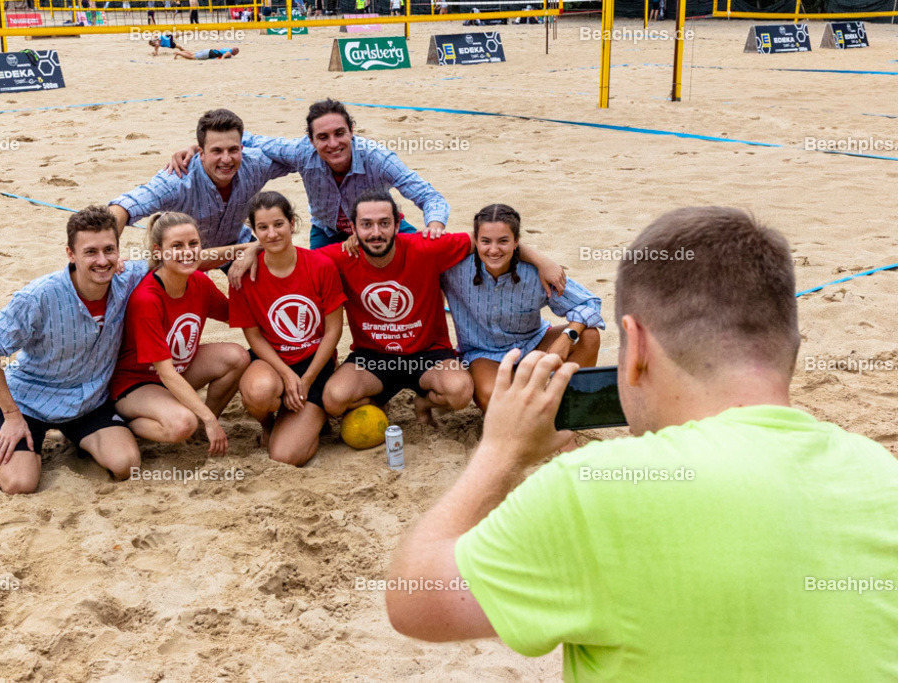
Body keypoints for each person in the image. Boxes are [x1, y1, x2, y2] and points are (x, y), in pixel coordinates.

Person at [384, 207, 898, 680]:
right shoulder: (882, 476)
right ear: (793, 345)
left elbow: (414, 598)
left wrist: (499, 452)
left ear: (637, 351)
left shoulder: (593, 490)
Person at [262, 188, 564, 426]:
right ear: (353, 228)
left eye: (384, 223)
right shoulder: (339, 256)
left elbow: (486, 241)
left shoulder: (425, 247)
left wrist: (540, 259)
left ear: (398, 223)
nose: (376, 232)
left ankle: (423, 402)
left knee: (460, 393)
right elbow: (288, 254)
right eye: (366, 225)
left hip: (428, 353)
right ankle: (379, 398)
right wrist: (253, 250)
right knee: (333, 400)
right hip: (374, 357)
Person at [0, 207, 148, 495]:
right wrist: (12, 414)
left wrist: (248, 248)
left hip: (88, 401)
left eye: (109, 250)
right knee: (20, 484)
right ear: (70, 254)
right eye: (90, 252)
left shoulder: (127, 277)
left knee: (126, 464)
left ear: (119, 250)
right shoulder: (38, 296)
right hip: (29, 403)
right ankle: (18, 437)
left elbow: (183, 258)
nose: (102, 260)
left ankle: (75, 437)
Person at [166, 99, 451, 250]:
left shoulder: (377, 157)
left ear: (352, 132)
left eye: (340, 133)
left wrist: (435, 224)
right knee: (317, 291)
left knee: (432, 262)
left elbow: (427, 195)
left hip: (381, 228)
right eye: (323, 137)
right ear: (312, 140)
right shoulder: (302, 152)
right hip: (327, 233)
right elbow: (251, 140)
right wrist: (199, 147)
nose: (333, 143)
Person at [110, 212, 249, 455]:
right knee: (182, 424)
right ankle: (125, 425)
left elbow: (235, 315)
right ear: (158, 251)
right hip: (137, 383)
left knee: (237, 357)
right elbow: (165, 372)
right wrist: (206, 418)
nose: (187, 252)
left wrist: (251, 269)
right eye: (176, 246)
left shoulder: (199, 282)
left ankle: (205, 426)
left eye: (193, 244)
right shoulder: (147, 299)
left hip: (178, 370)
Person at [442, 203, 604, 411]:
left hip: (533, 343)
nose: (493, 250)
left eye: (503, 241)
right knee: (497, 402)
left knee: (588, 336)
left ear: (516, 241)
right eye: (485, 241)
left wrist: (567, 338)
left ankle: (569, 410)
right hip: (484, 353)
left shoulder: (537, 272)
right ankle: (531, 403)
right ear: (475, 240)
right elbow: (419, 247)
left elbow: (589, 302)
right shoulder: (455, 268)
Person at [230, 192, 346, 466]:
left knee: (285, 456)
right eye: (263, 227)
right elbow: (254, 335)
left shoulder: (321, 265)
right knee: (259, 392)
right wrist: (285, 373)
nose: (272, 233)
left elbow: (333, 331)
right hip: (272, 360)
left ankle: (311, 419)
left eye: (278, 224)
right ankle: (269, 424)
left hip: (314, 364)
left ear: (292, 223)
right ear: (254, 231)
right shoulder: (243, 275)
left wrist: (305, 380)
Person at [109, 109, 290, 267]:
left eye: (233, 150)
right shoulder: (177, 179)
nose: (226, 159)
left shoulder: (255, 164)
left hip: (235, 243)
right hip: (183, 254)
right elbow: (123, 206)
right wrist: (109, 252)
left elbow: (302, 155)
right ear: (201, 153)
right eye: (217, 151)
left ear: (242, 148)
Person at [173, 46, 240, 60]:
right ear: (235, 52)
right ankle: (178, 53)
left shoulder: (227, 48)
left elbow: (218, 48)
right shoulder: (229, 52)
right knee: (192, 57)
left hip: (209, 50)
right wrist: (222, 59)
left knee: (192, 53)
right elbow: (225, 55)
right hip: (209, 54)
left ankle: (180, 52)